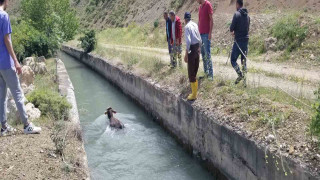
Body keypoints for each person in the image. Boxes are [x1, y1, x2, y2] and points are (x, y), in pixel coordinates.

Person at [0, 0, 41, 136]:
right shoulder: (4, 16)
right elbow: (7, 40)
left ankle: (4, 127)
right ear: (5, 1)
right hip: (6, 63)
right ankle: (27, 125)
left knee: (2, 97)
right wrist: (16, 61)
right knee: (17, 93)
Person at [230, 0, 250, 85]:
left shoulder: (236, 14)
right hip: (246, 41)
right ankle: (245, 82)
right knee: (243, 61)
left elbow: (231, 28)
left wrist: (233, 32)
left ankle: (240, 75)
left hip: (238, 41)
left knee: (233, 60)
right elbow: (247, 29)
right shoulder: (248, 16)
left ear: (237, 4)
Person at [184, 12, 201, 101]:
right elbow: (200, 37)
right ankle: (195, 93)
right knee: (195, 70)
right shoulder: (195, 24)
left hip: (191, 49)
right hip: (197, 47)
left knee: (191, 71)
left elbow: (188, 41)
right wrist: (200, 49)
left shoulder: (187, 27)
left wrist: (186, 54)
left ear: (185, 19)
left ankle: (194, 95)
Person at [197, 0, 214, 80]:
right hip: (200, 34)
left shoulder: (208, 4)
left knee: (207, 54)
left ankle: (211, 75)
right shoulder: (200, 7)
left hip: (206, 34)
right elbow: (199, 21)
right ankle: (206, 72)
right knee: (203, 55)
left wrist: (210, 33)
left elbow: (211, 20)